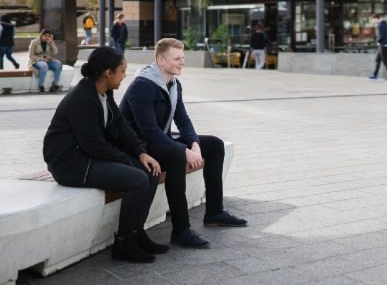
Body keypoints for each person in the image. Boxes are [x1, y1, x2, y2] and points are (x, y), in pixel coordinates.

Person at [120, 38, 247, 250]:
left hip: (161, 139)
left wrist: (194, 145)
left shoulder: (173, 84)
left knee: (214, 145)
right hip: (140, 146)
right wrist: (183, 150)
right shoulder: (142, 86)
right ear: (161, 59)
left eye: (183, 57)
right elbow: (148, 131)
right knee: (176, 156)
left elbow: (183, 119)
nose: (183, 62)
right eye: (177, 58)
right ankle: (181, 230)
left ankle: (214, 211)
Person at [42, 47, 166, 263]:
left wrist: (140, 153)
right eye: (123, 70)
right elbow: (95, 146)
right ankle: (124, 243)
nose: (125, 75)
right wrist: (128, 160)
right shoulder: (83, 99)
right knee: (137, 179)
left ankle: (136, 232)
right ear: (108, 73)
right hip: (70, 164)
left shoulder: (103, 93)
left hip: (88, 156)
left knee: (150, 171)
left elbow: (121, 125)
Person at [368, 13, 387, 81]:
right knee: (377, 60)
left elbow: (381, 35)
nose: (372, 21)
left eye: (373, 20)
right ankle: (375, 75)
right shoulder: (382, 24)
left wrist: (377, 41)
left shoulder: (380, 25)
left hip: (383, 45)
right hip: (382, 45)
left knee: (385, 61)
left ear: (376, 18)